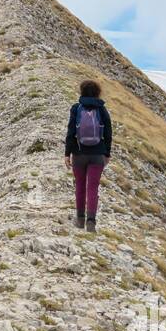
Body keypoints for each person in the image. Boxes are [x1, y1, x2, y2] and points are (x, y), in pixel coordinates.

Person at [64, 79, 113, 232]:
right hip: (97, 154)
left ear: (82, 91)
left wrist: (67, 153)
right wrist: (107, 152)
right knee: (93, 188)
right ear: (98, 92)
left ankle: (79, 220)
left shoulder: (76, 108)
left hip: (79, 153)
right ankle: (91, 223)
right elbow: (108, 132)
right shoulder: (102, 109)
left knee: (80, 185)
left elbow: (71, 131)